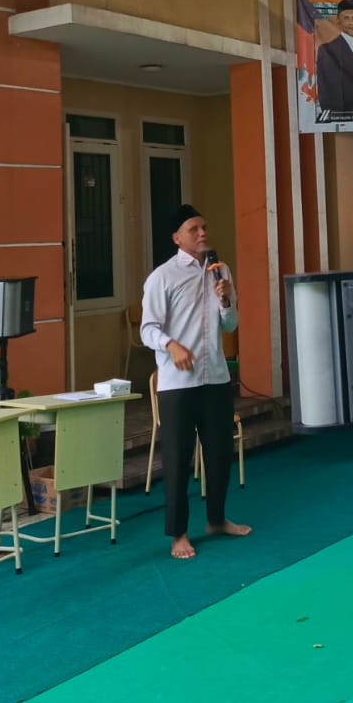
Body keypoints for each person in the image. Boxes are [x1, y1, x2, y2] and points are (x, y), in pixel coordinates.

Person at [139, 206, 252, 560]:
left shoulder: (220, 271)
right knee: (177, 459)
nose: (203, 233)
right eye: (193, 229)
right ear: (177, 238)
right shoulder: (162, 277)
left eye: (204, 227)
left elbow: (230, 324)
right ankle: (179, 534)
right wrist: (171, 345)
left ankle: (217, 519)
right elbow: (147, 329)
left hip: (215, 376)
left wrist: (226, 299)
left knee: (219, 454)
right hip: (178, 384)